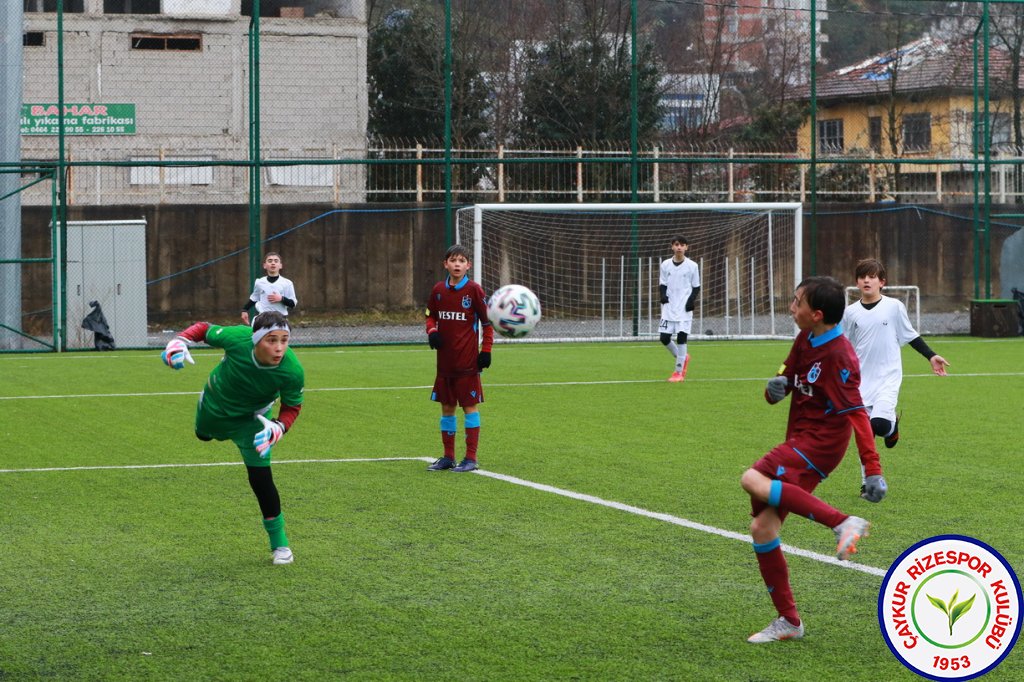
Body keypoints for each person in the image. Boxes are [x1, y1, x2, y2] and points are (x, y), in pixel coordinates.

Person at [740, 276, 887, 644]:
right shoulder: (805, 337)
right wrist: (774, 388)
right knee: (763, 529)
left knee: (752, 479)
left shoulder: (841, 356)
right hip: (800, 439)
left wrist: (873, 469)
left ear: (816, 313)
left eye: (796, 302)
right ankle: (789, 621)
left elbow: (857, 415)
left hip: (820, 443)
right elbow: (785, 378)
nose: (791, 307)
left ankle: (843, 523)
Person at [160, 310, 305, 565]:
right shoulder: (238, 338)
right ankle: (208, 428)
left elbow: (292, 406)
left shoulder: (292, 370)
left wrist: (279, 427)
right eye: (272, 340)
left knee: (261, 479)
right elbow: (204, 328)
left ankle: (280, 545)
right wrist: (180, 341)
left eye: (284, 340)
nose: (279, 347)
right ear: (256, 339)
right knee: (202, 435)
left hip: (253, 421)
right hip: (214, 408)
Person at [842, 259, 949, 489]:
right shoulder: (850, 313)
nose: (866, 280)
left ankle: (892, 428)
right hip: (860, 382)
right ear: (857, 282)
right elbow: (844, 345)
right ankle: (867, 482)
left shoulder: (893, 307)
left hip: (887, 378)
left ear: (882, 282)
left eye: (872, 276)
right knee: (864, 435)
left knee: (878, 425)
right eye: (862, 277)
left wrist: (931, 356)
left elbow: (910, 335)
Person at [424, 244, 494, 473]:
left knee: (469, 407)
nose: (457, 264)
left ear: (468, 266)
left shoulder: (474, 290)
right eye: (453, 260)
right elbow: (430, 316)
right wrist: (432, 332)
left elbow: (487, 323)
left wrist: (486, 351)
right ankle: (448, 457)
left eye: (462, 261)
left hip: (467, 363)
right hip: (444, 363)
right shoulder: (438, 290)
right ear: (445, 264)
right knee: (447, 408)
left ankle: (471, 458)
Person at [658, 235, 701, 382]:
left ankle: (678, 372)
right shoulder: (665, 264)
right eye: (676, 244)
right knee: (664, 338)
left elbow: (696, 286)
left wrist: (690, 301)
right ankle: (683, 357)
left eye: (682, 245)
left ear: (686, 247)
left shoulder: (692, 266)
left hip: (684, 308)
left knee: (682, 338)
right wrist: (663, 295)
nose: (679, 247)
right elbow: (663, 283)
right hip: (669, 307)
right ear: (672, 246)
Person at [241, 252, 297, 326]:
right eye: (270, 261)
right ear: (265, 265)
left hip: (280, 320)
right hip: (263, 320)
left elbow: (292, 304)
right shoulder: (259, 282)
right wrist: (244, 310)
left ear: (280, 266)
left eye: (276, 261)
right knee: (258, 337)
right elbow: (254, 298)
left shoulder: (287, 283)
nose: (273, 263)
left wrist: (281, 298)